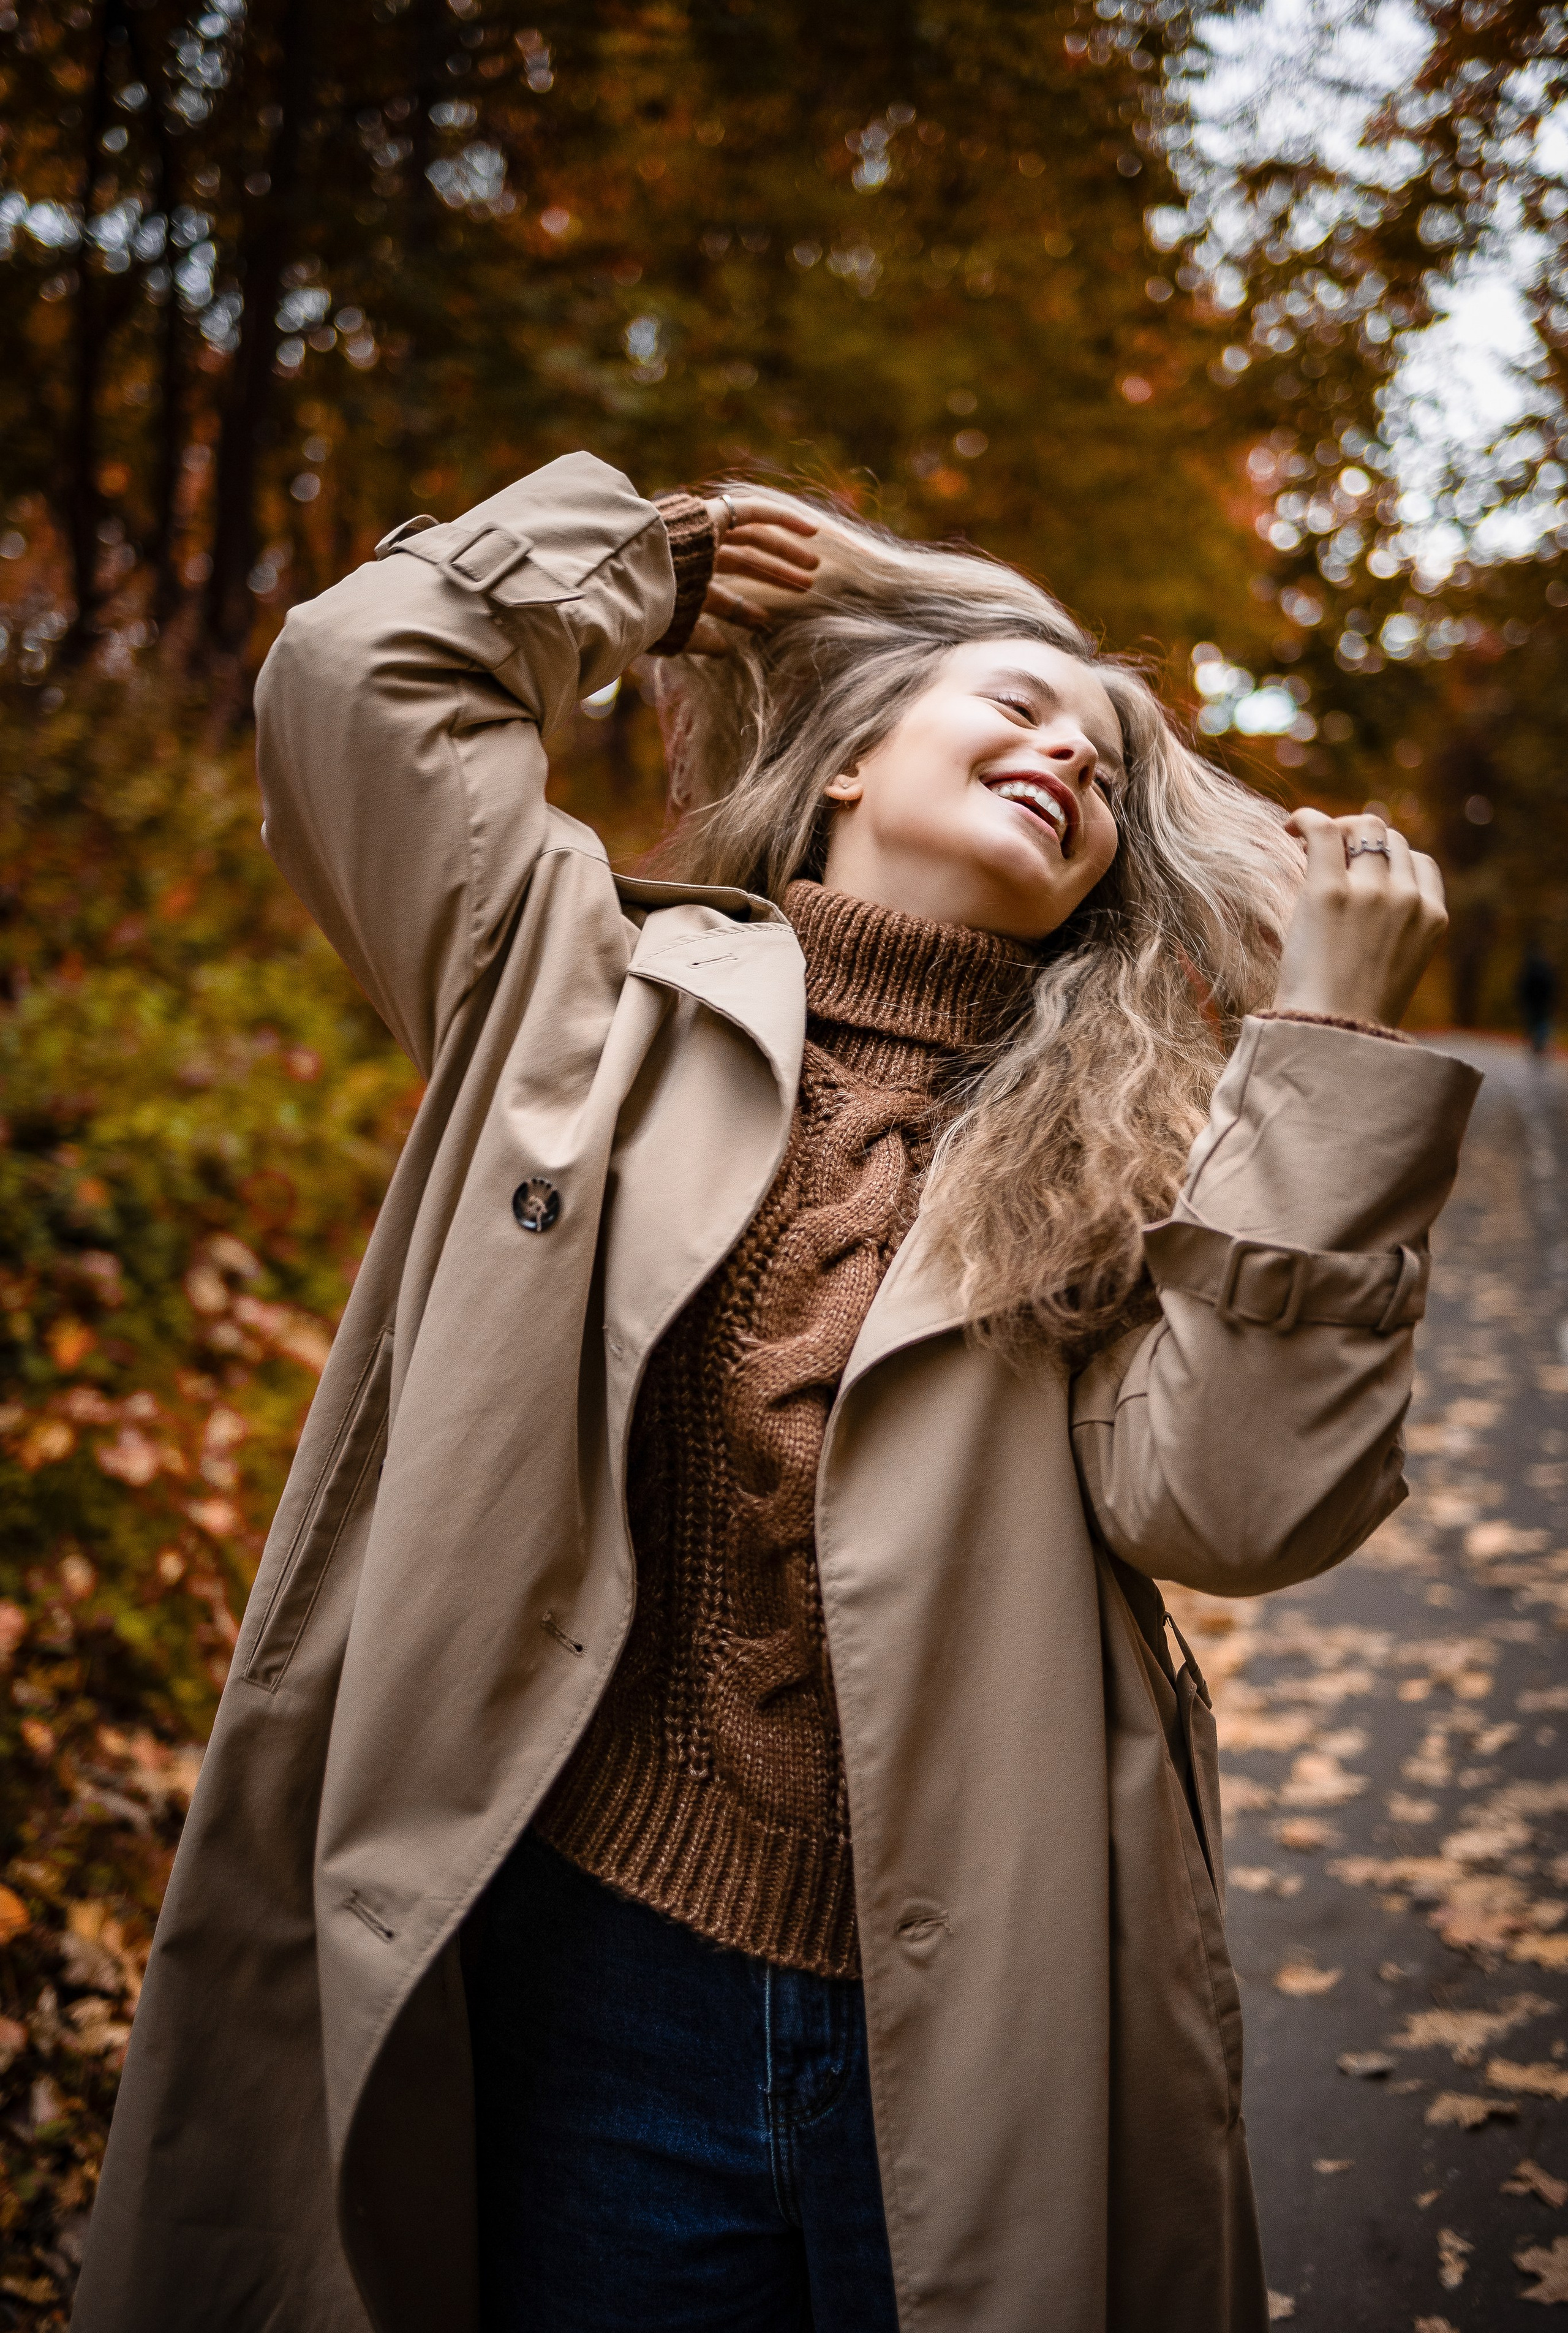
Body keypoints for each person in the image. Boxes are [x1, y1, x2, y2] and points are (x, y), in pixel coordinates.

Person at [75, 456, 1478, 2333]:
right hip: (593, 1988)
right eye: (1013, 696)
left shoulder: (1127, 1147)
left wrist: (1324, 1054)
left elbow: (1228, 1507)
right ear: (840, 758)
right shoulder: (577, 987)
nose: (1073, 752)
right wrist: (650, 562)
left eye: (1111, 768)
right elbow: (355, 680)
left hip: (984, 2014)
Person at [1518, 941, 1558, 1056]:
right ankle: (1541, 1043)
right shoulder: (1546, 970)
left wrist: (1523, 999)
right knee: (1542, 1021)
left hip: (1532, 1001)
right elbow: (1552, 986)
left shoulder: (1530, 969)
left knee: (1533, 1021)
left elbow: (1524, 985)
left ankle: (1536, 1043)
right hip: (1544, 1001)